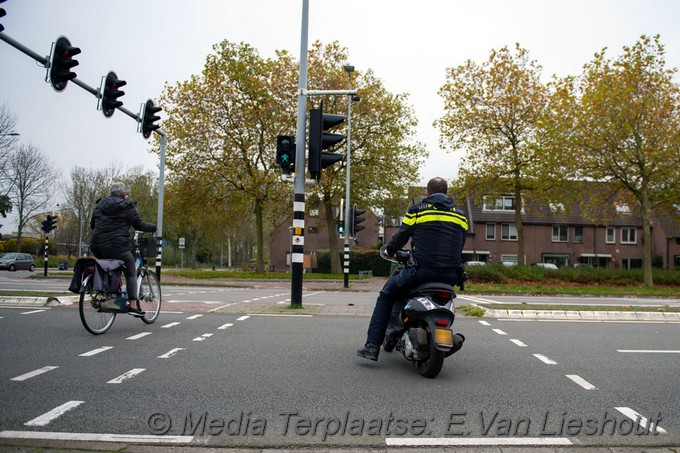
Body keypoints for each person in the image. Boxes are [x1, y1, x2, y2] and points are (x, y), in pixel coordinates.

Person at [357, 177, 468, 361]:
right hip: (450, 275)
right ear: (447, 193)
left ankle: (371, 346)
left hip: (422, 271)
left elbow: (401, 236)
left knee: (386, 296)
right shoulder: (461, 216)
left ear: (427, 193)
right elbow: (460, 244)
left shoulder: (417, 210)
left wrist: (391, 250)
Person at [90, 182, 157, 316]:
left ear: (110, 193)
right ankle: (133, 305)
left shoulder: (100, 205)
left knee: (106, 266)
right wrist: (153, 228)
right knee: (130, 272)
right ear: (124, 195)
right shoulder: (126, 206)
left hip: (97, 245)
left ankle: (102, 294)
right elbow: (138, 224)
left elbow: (93, 225)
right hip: (117, 246)